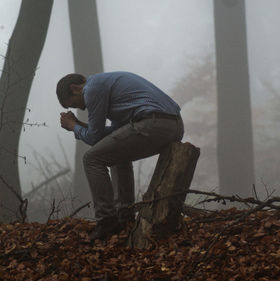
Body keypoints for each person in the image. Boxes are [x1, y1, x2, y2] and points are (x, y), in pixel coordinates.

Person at [57, 71, 184, 240]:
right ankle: (124, 216)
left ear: (75, 88)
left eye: (74, 104)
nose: (82, 108)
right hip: (172, 124)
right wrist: (79, 124)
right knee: (114, 152)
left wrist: (74, 127)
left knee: (91, 159)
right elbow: (112, 135)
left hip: (155, 123)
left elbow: (94, 137)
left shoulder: (92, 88)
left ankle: (106, 219)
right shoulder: (106, 86)